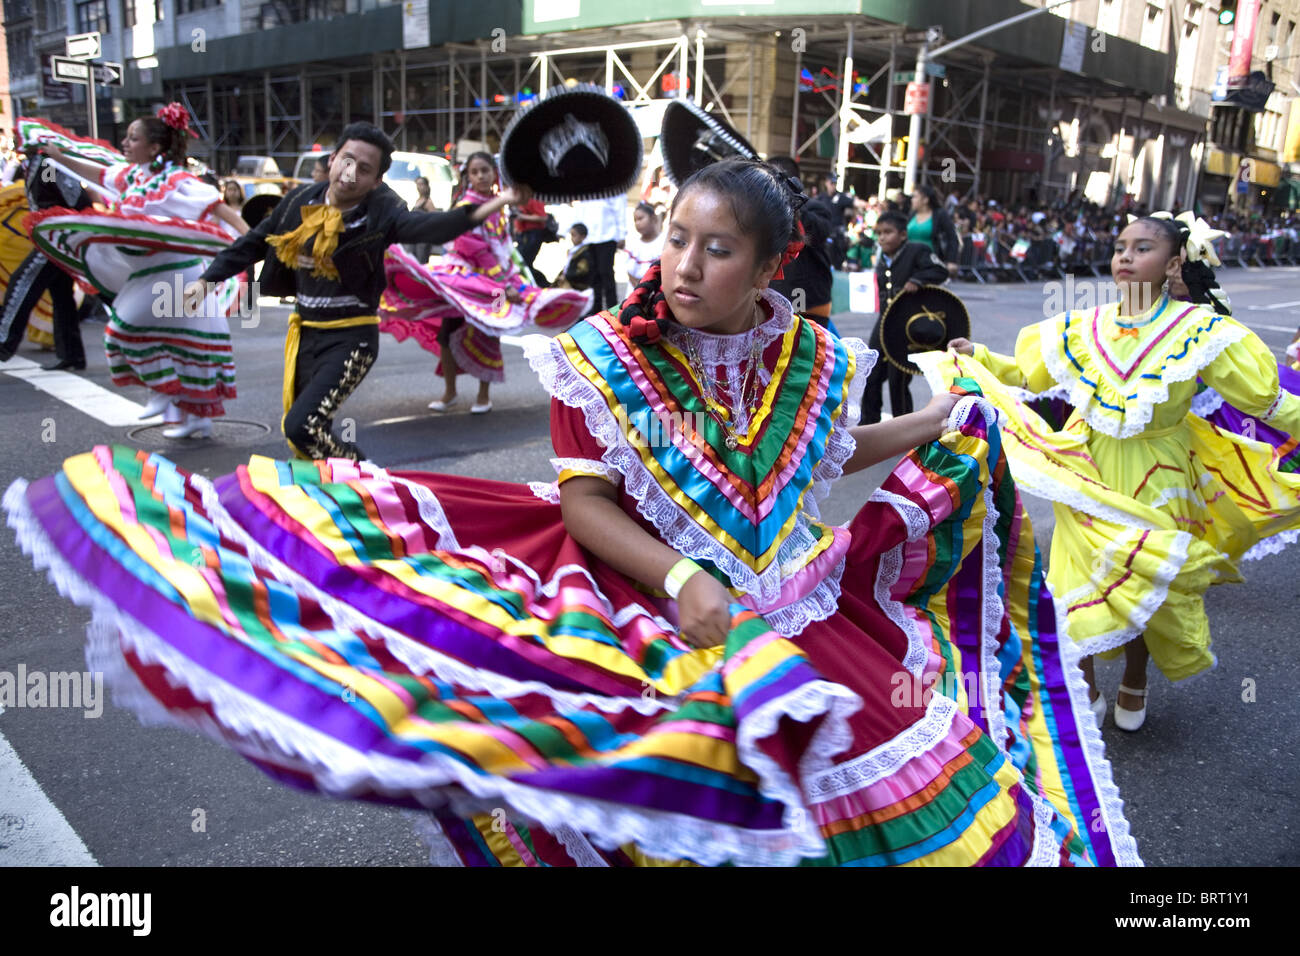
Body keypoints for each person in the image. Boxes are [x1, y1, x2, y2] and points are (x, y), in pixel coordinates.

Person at [3, 157, 1137, 867]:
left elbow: (835, 453)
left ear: (769, 263)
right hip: (650, 616)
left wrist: (937, 420)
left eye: (716, 248)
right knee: (645, 808)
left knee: (855, 807)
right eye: (675, 238)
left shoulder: (813, 360)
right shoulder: (601, 359)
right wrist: (682, 578)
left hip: (784, 612)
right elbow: (587, 506)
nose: (684, 263)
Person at [937, 215, 1300, 731]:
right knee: (1071, 581)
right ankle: (1083, 683)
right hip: (1088, 470)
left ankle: (1136, 678)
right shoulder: (1082, 326)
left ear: (1174, 263)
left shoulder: (1203, 331)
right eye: (1121, 247)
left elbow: (1265, 400)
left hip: (1161, 472)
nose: (1126, 257)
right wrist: (980, 357)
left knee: (1141, 579)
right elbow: (1027, 373)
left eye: (1143, 248)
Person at [186, 126, 521, 458]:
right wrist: (206, 281)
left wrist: (501, 199)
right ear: (333, 159)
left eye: (364, 169)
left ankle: (361, 472)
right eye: (347, 160)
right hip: (305, 334)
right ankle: (328, 494)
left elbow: (433, 228)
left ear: (376, 181)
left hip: (352, 340)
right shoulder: (299, 202)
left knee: (302, 428)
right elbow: (252, 244)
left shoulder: (382, 212)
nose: (351, 173)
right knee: (308, 432)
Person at [37, 106, 251, 438]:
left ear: (154, 148)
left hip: (176, 275)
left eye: (133, 138)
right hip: (145, 274)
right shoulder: (131, 177)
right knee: (184, 345)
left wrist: (251, 243)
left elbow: (220, 210)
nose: (124, 142)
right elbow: (94, 172)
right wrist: (57, 155)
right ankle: (192, 415)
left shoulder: (177, 181)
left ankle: (164, 392)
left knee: (122, 331)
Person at [378, 151, 590, 415]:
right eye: (474, 171)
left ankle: (483, 395)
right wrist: (505, 283)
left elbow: (501, 247)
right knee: (447, 334)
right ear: (468, 176)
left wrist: (511, 280)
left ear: (494, 174)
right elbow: (473, 246)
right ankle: (450, 392)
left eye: (484, 171)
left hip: (494, 283)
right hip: (465, 281)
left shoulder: (497, 206)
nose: (479, 176)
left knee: (490, 330)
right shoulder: (467, 204)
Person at [0, 153, 93, 369]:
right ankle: (72, 354)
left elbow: (69, 195)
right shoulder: (37, 162)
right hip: (51, 236)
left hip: (55, 238)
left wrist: (59, 220)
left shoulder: (47, 164)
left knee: (22, 282)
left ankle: (4, 342)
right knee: (61, 295)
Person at [861, 210, 948, 424]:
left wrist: (918, 279)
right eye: (879, 233)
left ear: (902, 235)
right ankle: (869, 422)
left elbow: (940, 270)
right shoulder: (882, 259)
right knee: (870, 372)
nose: (882, 237)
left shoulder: (917, 251)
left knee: (897, 378)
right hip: (884, 322)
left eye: (888, 232)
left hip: (906, 325)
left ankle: (904, 425)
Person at [765, 155, 836, 327]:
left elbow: (820, 232)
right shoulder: (763, 211)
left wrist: (791, 203)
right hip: (773, 296)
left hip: (809, 300)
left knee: (808, 348)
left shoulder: (815, 208)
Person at [570, 192, 625, 315]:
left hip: (607, 237)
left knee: (606, 274)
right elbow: (580, 207)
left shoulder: (613, 186)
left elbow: (619, 210)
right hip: (589, 238)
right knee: (593, 276)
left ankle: (613, 311)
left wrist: (621, 234)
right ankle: (595, 311)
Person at [907, 183, 960, 278]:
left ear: (925, 200)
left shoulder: (939, 214)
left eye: (915, 197)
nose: (912, 200)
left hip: (930, 261)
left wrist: (951, 260)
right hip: (910, 260)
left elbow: (952, 237)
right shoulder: (912, 215)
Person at [621, 202, 663, 284]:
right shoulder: (632, 244)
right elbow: (630, 273)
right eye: (635, 220)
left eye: (640, 219)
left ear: (653, 218)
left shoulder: (664, 242)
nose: (637, 223)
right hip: (635, 291)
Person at [510, 192, 551, 274]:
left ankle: (541, 283)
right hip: (523, 234)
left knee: (525, 263)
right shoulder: (521, 197)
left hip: (533, 234)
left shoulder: (534, 198)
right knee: (522, 261)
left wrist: (522, 217)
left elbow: (543, 217)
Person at [403, 175, 439, 266]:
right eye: (418, 184)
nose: (419, 187)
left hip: (423, 238)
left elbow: (435, 219)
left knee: (420, 262)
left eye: (422, 184)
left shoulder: (428, 202)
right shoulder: (418, 200)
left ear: (427, 186)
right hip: (414, 236)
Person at [558, 222, 595, 290]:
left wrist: (566, 276)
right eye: (571, 235)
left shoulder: (585, 253)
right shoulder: (573, 250)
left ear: (582, 237)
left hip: (577, 285)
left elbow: (581, 271)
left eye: (574, 235)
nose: (571, 238)